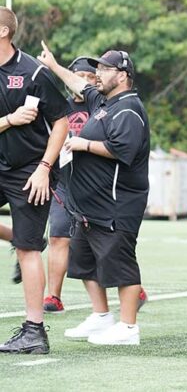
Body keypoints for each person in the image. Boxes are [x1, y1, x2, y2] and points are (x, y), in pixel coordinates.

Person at [38, 44, 149, 346]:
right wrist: (53, 65)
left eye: (104, 69)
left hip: (115, 204)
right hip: (87, 206)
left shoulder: (128, 108)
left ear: (123, 75)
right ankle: (102, 317)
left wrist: (82, 144)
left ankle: (128, 328)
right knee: (87, 263)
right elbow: (78, 83)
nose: (97, 74)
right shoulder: (103, 101)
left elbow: (122, 150)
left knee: (121, 265)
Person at [0, 8, 69, 355]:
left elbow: (62, 122)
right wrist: (9, 120)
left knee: (28, 250)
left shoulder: (33, 72)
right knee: (26, 242)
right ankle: (24, 237)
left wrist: (45, 167)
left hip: (30, 169)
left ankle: (34, 331)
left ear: (3, 32)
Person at [42, 57, 97, 313]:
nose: (84, 81)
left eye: (89, 76)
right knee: (57, 236)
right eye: (79, 75)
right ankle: (53, 296)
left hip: (96, 184)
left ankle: (131, 286)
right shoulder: (59, 107)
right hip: (64, 182)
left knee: (106, 241)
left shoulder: (101, 104)